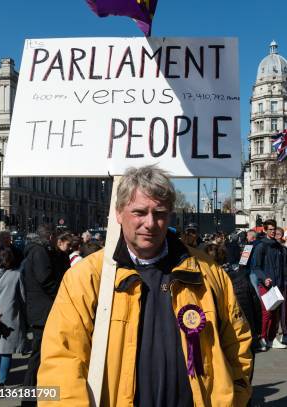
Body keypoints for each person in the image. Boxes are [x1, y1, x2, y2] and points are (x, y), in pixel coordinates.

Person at [38, 165, 253, 406]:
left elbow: (238, 346)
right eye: (139, 212)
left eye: (159, 213)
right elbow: (61, 362)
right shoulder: (87, 277)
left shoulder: (207, 272)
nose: (150, 223)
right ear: (119, 213)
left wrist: (235, 398)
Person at [21, 224, 64, 404]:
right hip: (42, 311)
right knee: (38, 356)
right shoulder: (39, 252)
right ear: (50, 237)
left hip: (39, 310)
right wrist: (60, 296)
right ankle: (30, 396)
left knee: (39, 354)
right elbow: (45, 279)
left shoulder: (36, 251)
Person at [0, 247, 26, 387]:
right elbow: (23, 298)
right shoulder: (16, 275)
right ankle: (1, 383)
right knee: (6, 352)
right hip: (9, 317)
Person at [252, 219, 287, 351]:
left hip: (278, 284)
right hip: (266, 285)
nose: (273, 232)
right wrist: (264, 278)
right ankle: (262, 338)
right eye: (270, 229)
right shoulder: (261, 246)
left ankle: (272, 339)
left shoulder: (278, 246)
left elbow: (282, 266)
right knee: (266, 313)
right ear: (265, 230)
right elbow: (255, 266)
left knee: (276, 313)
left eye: (274, 229)